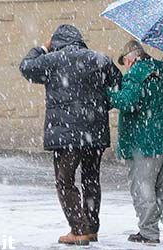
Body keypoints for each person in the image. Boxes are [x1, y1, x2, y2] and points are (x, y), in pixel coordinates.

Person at [19, 24, 122, 245]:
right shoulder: (99, 59)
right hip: (94, 132)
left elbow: (26, 67)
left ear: (57, 42)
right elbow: (118, 85)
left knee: (65, 181)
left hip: (65, 136)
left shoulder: (52, 60)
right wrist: (99, 106)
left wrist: (42, 48)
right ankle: (91, 227)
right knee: (91, 179)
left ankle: (79, 229)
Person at [108, 40, 163, 244]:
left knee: (143, 186)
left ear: (130, 59)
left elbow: (127, 101)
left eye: (125, 63)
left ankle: (148, 232)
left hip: (146, 142)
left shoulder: (136, 72)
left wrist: (108, 94)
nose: (125, 67)